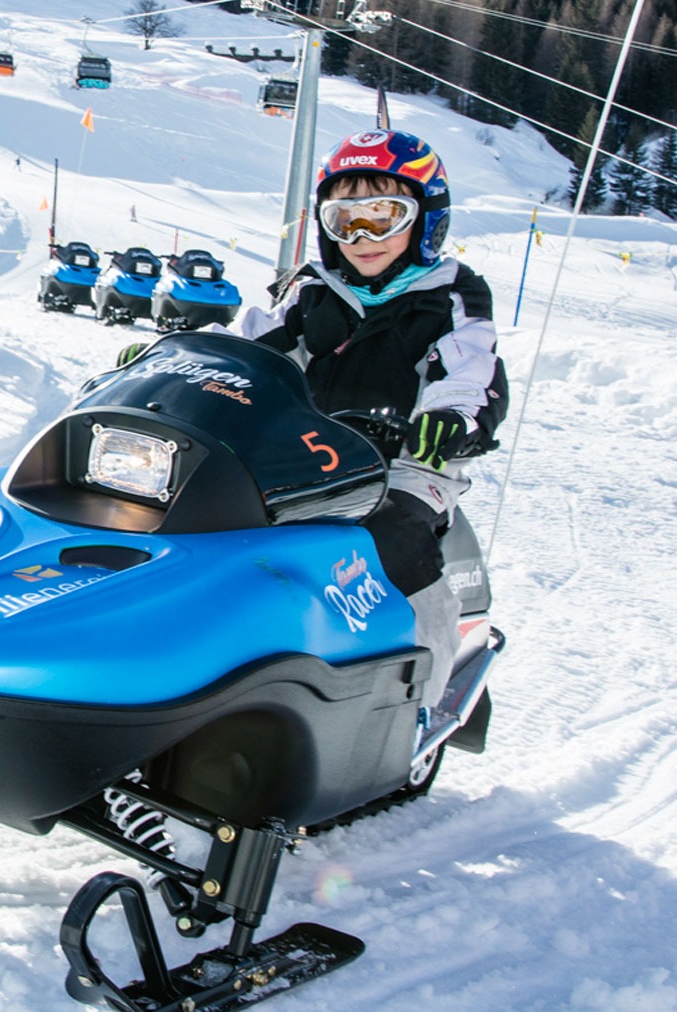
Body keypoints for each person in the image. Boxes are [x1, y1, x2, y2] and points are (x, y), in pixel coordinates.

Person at [118, 129, 508, 719]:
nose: (361, 237)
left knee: (395, 543)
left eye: (383, 215)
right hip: (305, 450)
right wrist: (173, 359)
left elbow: (469, 368)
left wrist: (448, 420)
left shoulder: (450, 297)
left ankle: (417, 705)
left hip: (405, 464)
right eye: (343, 218)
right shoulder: (314, 292)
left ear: (427, 219)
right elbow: (249, 341)